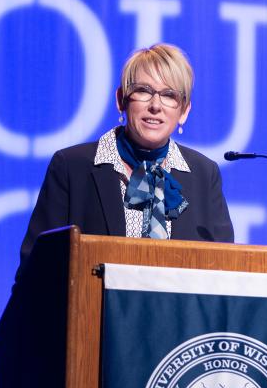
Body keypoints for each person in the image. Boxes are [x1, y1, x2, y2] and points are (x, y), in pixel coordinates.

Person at [17, 43, 234, 269]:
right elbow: (36, 269)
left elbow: (224, 270)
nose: (155, 106)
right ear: (121, 99)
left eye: (169, 95)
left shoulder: (203, 174)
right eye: (144, 91)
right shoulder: (72, 167)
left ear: (184, 111)